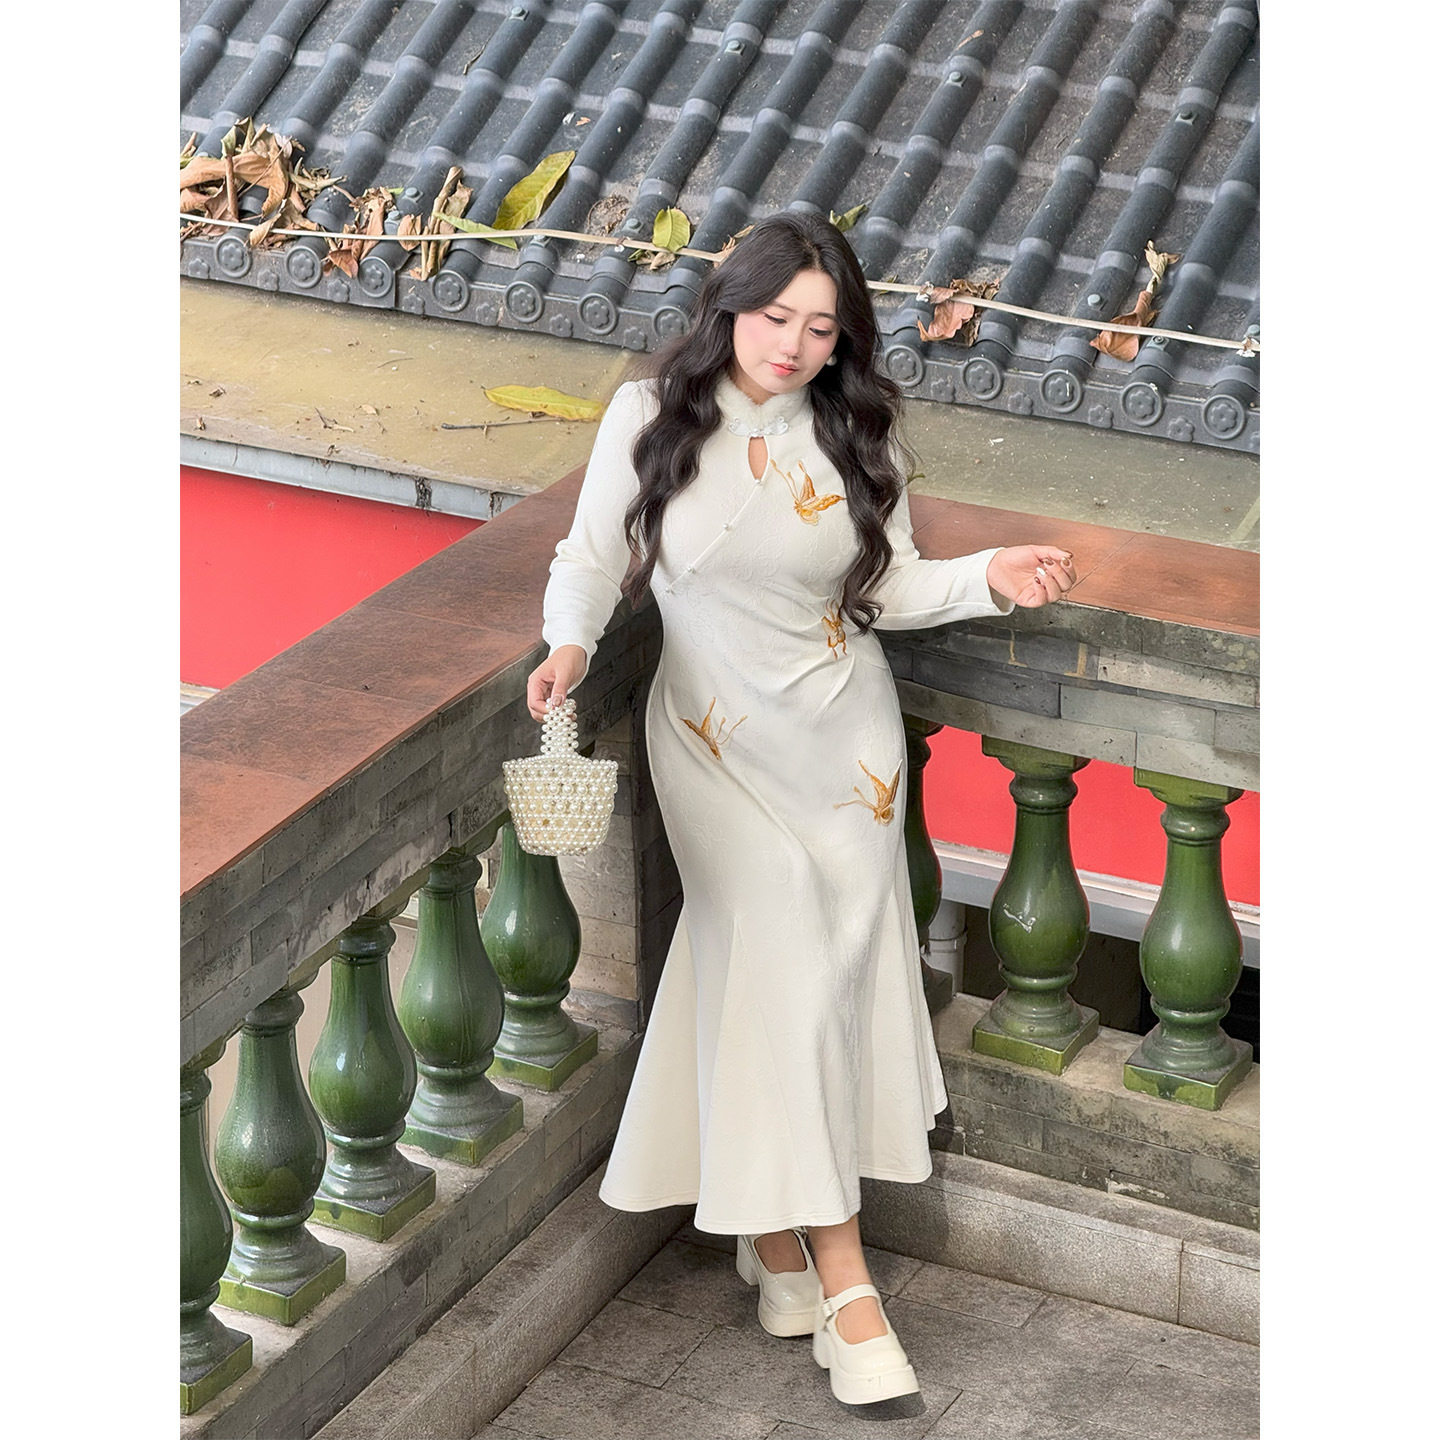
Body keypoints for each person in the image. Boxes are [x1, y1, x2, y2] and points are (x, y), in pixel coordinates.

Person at [526, 212, 1075, 1406]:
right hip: (711, 741)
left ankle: (773, 1237)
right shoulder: (650, 416)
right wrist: (569, 645)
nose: (793, 345)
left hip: (845, 742)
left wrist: (989, 576)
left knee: (812, 985)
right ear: (732, 305)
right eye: (777, 316)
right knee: (776, 937)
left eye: (822, 328)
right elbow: (590, 556)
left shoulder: (852, 431)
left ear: (843, 341)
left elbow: (889, 587)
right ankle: (847, 1279)